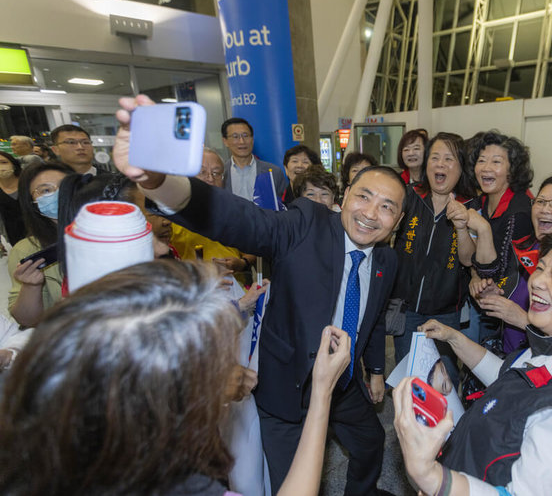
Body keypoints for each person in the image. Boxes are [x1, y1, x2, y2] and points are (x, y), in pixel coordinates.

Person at [113, 94, 407, 496]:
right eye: (364, 197)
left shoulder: (387, 261)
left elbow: (370, 322)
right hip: (288, 388)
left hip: (343, 382)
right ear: (343, 198)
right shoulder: (304, 224)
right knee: (294, 482)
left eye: (387, 207)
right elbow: (242, 221)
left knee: (372, 443)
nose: (372, 213)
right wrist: (160, 182)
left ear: (399, 220)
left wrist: (374, 371)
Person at [0, 260, 353, 496]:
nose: (236, 380)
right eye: (221, 371)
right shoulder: (177, 483)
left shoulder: (36, 431)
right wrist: (322, 392)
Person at [394, 231, 552, 495]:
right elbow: (509, 378)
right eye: (540, 268)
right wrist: (454, 339)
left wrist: (436, 480)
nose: (536, 281)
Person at [465, 174, 552, 352]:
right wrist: (496, 296)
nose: (545, 209)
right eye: (540, 201)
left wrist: (522, 320)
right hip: (511, 359)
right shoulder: (524, 248)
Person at [390, 132, 476, 385]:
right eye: (435, 157)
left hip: (447, 312)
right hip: (406, 310)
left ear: (461, 168)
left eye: (449, 159)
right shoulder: (409, 196)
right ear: (426, 164)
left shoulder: (471, 206)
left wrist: (461, 225)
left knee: (445, 379)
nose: (440, 164)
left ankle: (448, 426)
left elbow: (469, 260)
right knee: (410, 378)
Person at [464, 131, 533, 347]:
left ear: (512, 171)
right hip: (485, 300)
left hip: (513, 308)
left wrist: (483, 228)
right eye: (481, 161)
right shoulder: (480, 203)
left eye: (496, 162)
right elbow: (470, 258)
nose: (486, 168)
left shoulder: (519, 212)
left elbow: (498, 270)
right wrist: (475, 276)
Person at [172, 149, 257, 286]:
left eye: (216, 173)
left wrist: (242, 263)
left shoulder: (235, 211)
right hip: (192, 291)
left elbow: (253, 249)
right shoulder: (171, 213)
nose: (210, 179)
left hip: (235, 290)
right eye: (202, 172)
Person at [7, 162, 73, 326]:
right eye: (46, 190)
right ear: (32, 202)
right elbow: (27, 320)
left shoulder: (108, 229)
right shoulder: (26, 249)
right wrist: (31, 286)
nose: (58, 195)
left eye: (64, 187)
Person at [221, 117, 287, 202]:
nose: (242, 141)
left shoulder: (273, 172)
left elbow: (283, 207)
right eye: (235, 136)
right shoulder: (220, 173)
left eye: (246, 135)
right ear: (225, 141)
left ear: (252, 139)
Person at [0, 152, 25, 246]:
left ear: (13, 164)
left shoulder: (27, 182)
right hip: (12, 234)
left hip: (38, 228)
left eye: (4, 162)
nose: (1, 167)